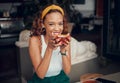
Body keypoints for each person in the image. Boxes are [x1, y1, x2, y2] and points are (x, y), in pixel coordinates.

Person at [28, 4, 71, 83]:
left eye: (60, 24)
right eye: (51, 24)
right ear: (43, 24)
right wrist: (49, 48)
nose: (57, 28)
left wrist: (63, 50)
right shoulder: (35, 40)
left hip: (60, 78)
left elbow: (67, 71)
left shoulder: (65, 38)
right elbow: (41, 74)